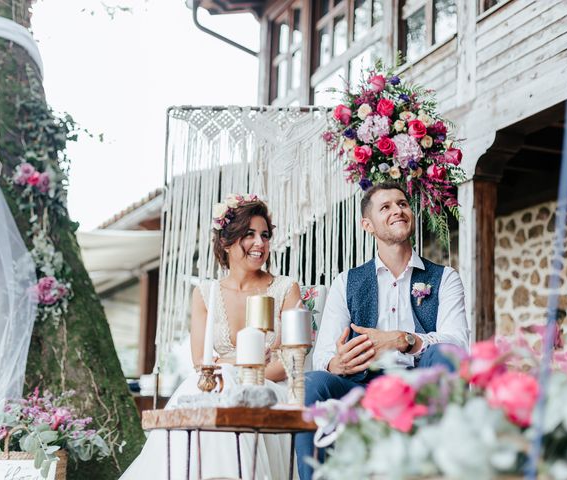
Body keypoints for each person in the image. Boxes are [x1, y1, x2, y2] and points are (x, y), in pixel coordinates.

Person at [295, 182, 470, 480]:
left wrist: (405, 340)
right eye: (385, 207)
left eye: (402, 204)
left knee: (445, 354)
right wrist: (338, 363)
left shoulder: (445, 278)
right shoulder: (346, 282)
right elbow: (324, 354)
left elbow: (458, 344)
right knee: (311, 382)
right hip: (362, 386)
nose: (397, 210)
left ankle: (444, 469)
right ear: (368, 224)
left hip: (420, 382)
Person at [121, 195, 301, 480]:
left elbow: (289, 363)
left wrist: (231, 366)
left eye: (265, 235)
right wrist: (242, 362)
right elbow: (201, 364)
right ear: (226, 242)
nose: (260, 243)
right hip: (215, 388)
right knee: (201, 386)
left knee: (220, 384)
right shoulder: (206, 293)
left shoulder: (285, 288)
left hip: (269, 389)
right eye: (249, 234)